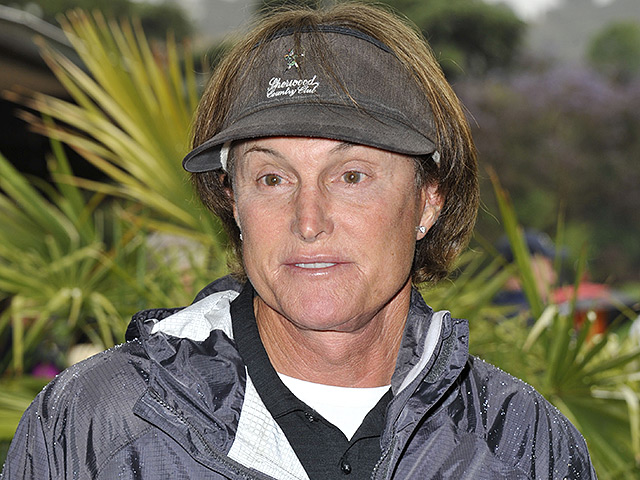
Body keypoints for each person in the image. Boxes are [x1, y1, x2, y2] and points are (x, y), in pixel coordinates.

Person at [2, 3, 596, 479]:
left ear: (428, 201)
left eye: (352, 176)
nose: (308, 221)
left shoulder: (524, 445)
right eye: (272, 178)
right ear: (233, 202)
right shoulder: (92, 427)